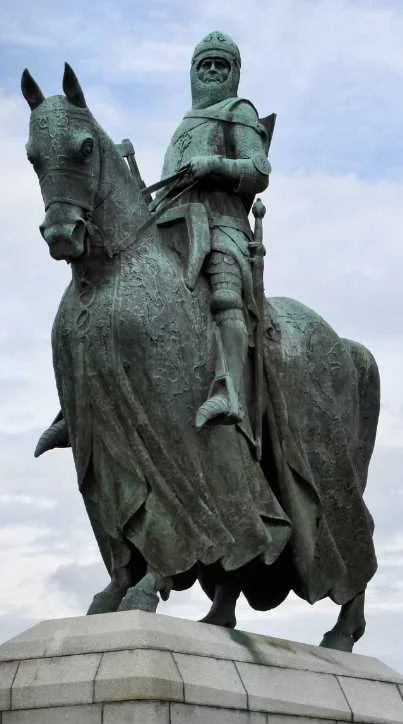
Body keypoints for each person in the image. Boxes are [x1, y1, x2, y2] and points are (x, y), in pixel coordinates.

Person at [157, 31, 272, 428]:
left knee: (224, 294)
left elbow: (258, 170)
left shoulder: (239, 111)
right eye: (203, 64)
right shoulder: (183, 125)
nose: (210, 70)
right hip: (174, 226)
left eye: (219, 65)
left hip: (222, 225)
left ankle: (229, 390)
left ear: (234, 73)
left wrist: (215, 166)